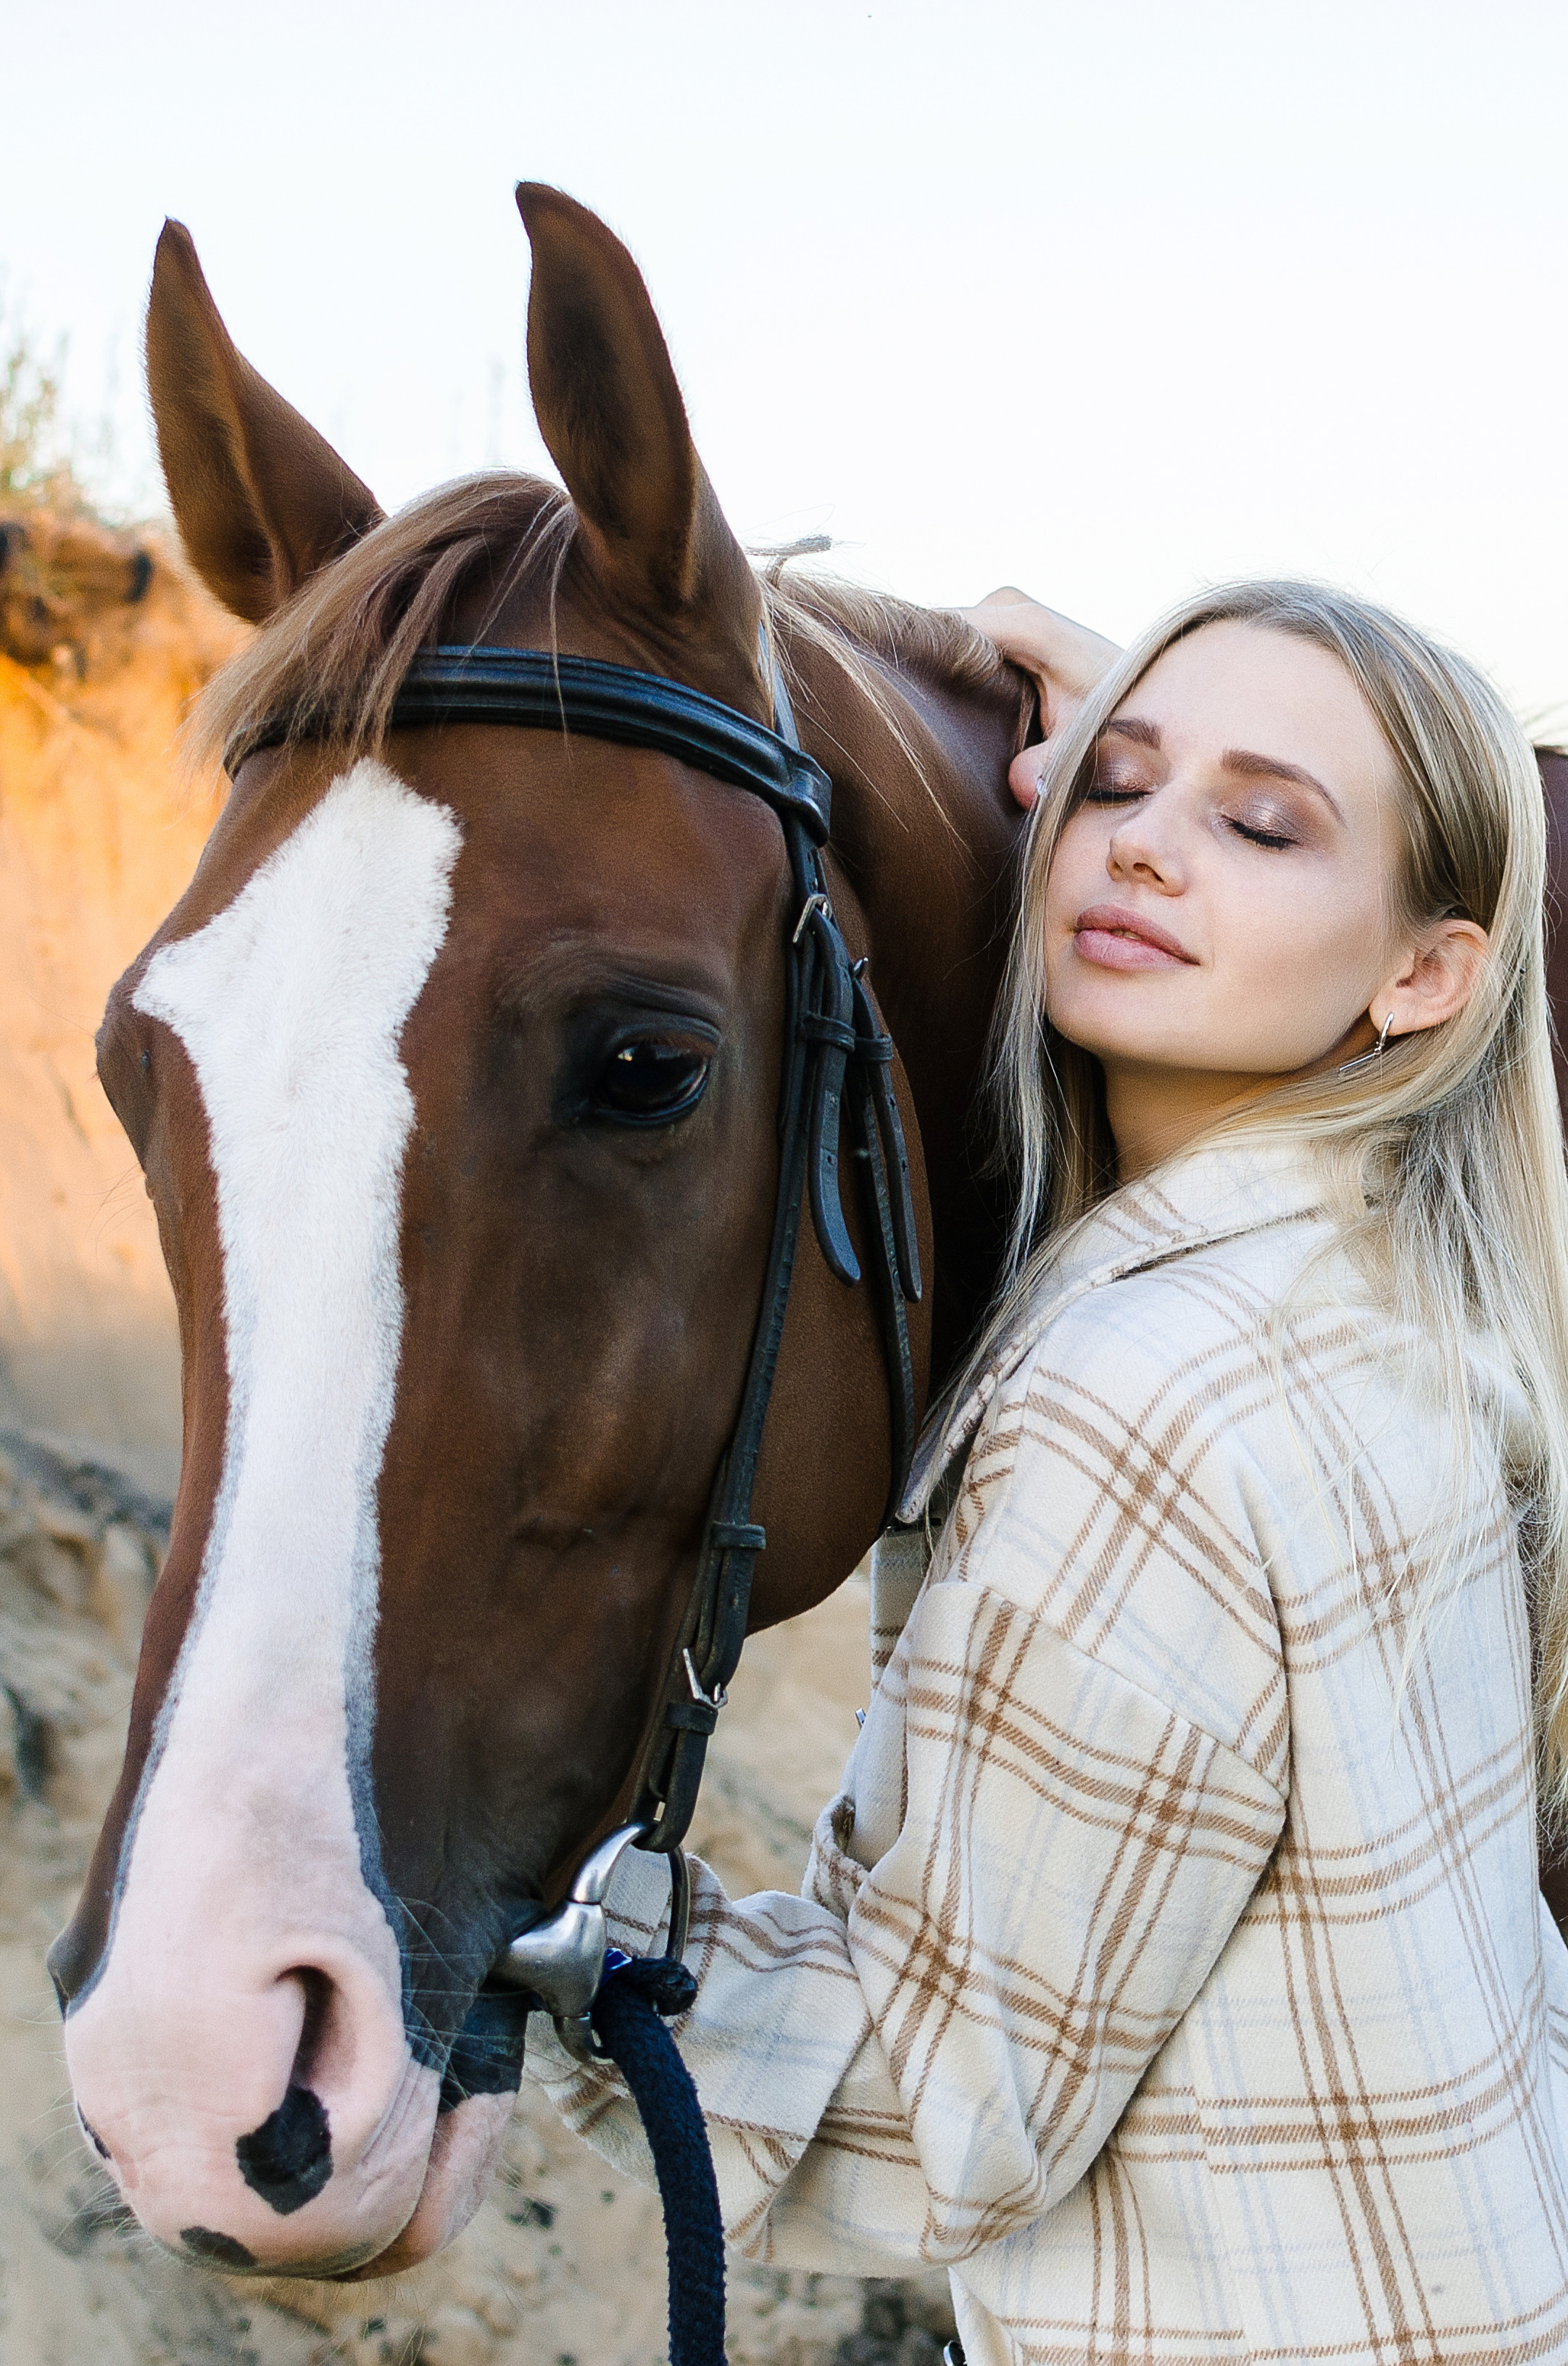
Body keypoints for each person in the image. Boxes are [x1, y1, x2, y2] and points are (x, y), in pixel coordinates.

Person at [528, 579, 1568, 2360]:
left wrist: (563, 1956)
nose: (1150, 850)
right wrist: (1223, 804)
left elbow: (947, 2126)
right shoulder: (1406, 1311)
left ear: (1425, 973)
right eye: (1111, 787)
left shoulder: (1137, 1400)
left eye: (1257, 823)